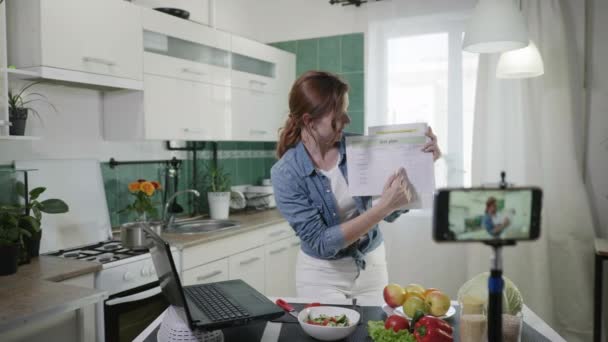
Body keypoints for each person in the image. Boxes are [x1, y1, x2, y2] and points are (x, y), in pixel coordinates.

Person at [270, 71, 441, 304]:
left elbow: (393, 212)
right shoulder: (285, 173)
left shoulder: (360, 149)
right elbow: (321, 243)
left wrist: (421, 167)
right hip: (322, 274)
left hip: (371, 264)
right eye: (338, 115)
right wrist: (381, 208)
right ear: (309, 121)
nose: (347, 120)